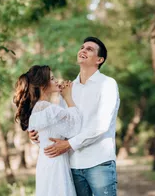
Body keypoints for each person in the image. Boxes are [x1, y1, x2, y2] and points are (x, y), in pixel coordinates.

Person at [29, 37, 120, 196]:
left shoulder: (108, 84)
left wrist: (68, 144)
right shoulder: (67, 89)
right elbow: (62, 126)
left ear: (99, 60)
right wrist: (37, 135)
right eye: (82, 47)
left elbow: (101, 125)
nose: (83, 50)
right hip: (72, 165)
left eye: (90, 49)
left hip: (98, 162)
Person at [13, 65, 82, 196]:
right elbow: (75, 128)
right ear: (42, 84)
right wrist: (68, 97)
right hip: (56, 163)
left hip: (45, 163)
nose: (56, 80)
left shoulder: (35, 109)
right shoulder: (49, 109)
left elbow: (41, 137)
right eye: (51, 78)